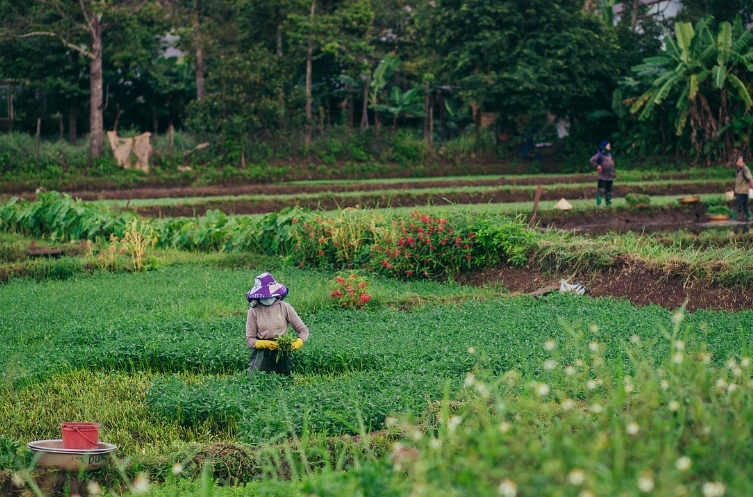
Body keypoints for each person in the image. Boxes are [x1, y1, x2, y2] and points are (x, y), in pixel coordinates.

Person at [245, 272, 309, 375]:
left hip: (282, 350)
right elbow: (250, 339)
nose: (267, 298)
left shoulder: (284, 307)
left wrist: (298, 341)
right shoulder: (254, 311)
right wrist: (264, 344)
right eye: (264, 296)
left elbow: (303, 330)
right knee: (256, 381)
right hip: (261, 353)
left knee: (284, 381)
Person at [589, 141, 616, 207]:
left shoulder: (609, 155)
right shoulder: (600, 155)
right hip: (603, 177)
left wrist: (613, 172)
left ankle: (608, 204)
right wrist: (597, 165)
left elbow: (612, 164)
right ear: (604, 147)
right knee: (601, 191)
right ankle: (598, 205)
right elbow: (592, 160)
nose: (609, 147)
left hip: (610, 177)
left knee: (609, 192)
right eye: (608, 146)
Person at [733, 155, 753, 222]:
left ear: (743, 162)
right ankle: (749, 218)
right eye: (738, 162)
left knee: (736, 205)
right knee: (745, 206)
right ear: (736, 163)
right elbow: (738, 182)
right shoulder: (738, 170)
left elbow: (750, 178)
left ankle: (732, 220)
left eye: (741, 162)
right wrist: (735, 190)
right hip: (740, 191)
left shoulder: (745, 169)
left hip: (743, 191)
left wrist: (752, 186)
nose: (740, 163)